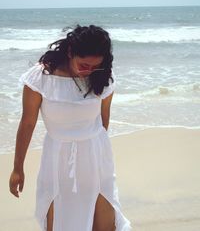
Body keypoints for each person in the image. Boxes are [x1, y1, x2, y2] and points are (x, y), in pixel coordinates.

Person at [9, 25, 132, 231]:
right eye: (84, 65)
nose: (89, 71)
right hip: (57, 158)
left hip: (96, 155)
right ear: (70, 53)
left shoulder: (102, 77)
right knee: (59, 222)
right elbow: (28, 123)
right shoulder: (41, 77)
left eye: (95, 66)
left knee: (105, 223)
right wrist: (17, 168)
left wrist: (96, 151)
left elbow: (103, 121)